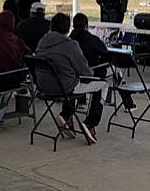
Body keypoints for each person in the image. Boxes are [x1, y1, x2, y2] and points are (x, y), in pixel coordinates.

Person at [34, 13, 107, 142]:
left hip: (42, 87)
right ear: (68, 28)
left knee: (69, 80)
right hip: (64, 87)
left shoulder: (41, 42)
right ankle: (90, 123)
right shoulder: (70, 45)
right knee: (101, 84)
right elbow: (85, 72)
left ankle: (67, 116)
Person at [70, 13, 135, 111]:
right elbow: (106, 54)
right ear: (86, 26)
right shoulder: (92, 39)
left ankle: (81, 101)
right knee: (116, 71)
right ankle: (128, 103)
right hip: (92, 73)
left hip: (74, 75)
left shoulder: (69, 40)